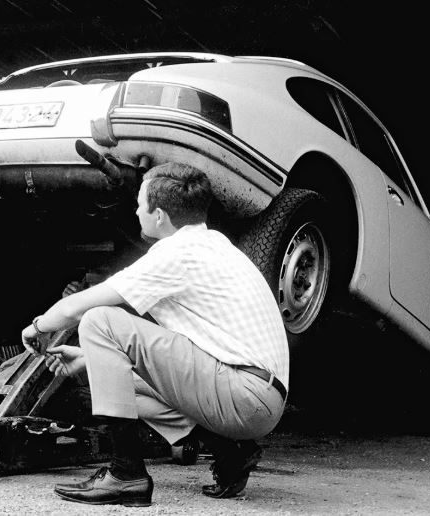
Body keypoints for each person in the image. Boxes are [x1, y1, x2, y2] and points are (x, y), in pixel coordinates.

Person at [21, 162, 289, 505]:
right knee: (116, 383)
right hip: (254, 397)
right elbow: (179, 356)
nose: (135, 210)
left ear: (159, 215)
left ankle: (125, 473)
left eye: (138, 203)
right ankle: (229, 449)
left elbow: (79, 306)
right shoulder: (211, 244)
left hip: (244, 394)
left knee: (100, 320)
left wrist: (37, 326)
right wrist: (91, 361)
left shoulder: (176, 253)